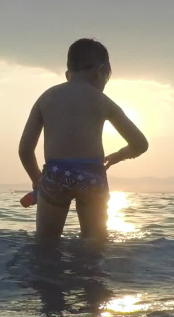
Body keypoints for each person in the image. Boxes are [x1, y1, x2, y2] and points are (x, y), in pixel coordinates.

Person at [18, 38, 148, 242]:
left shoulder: (47, 98)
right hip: (92, 177)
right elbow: (140, 144)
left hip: (55, 175)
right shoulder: (102, 101)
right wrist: (118, 156)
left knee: (46, 244)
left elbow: (25, 150)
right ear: (102, 71)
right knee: (93, 246)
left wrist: (37, 180)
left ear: (68, 74)